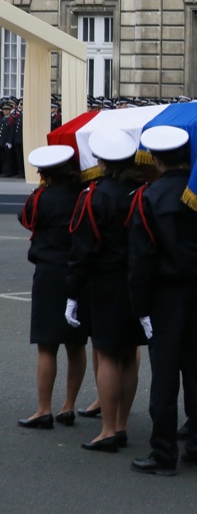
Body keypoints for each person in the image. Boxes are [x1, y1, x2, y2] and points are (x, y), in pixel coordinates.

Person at [129, 125, 197, 477]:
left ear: (155, 159)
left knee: (165, 375)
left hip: (166, 293)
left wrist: (140, 306)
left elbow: (141, 259)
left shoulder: (149, 197)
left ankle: (164, 452)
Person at [65, 130, 146, 453]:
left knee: (109, 354)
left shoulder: (94, 196)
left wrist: (72, 291)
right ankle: (121, 425)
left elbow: (83, 249)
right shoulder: (141, 192)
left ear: (101, 161)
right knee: (128, 355)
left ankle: (109, 429)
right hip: (136, 280)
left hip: (106, 281)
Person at [17, 145, 87, 431]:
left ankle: (43, 409)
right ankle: (68, 405)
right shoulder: (83, 195)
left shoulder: (40, 198)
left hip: (48, 272)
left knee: (47, 345)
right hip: (78, 271)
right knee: (75, 344)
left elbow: (25, 218)